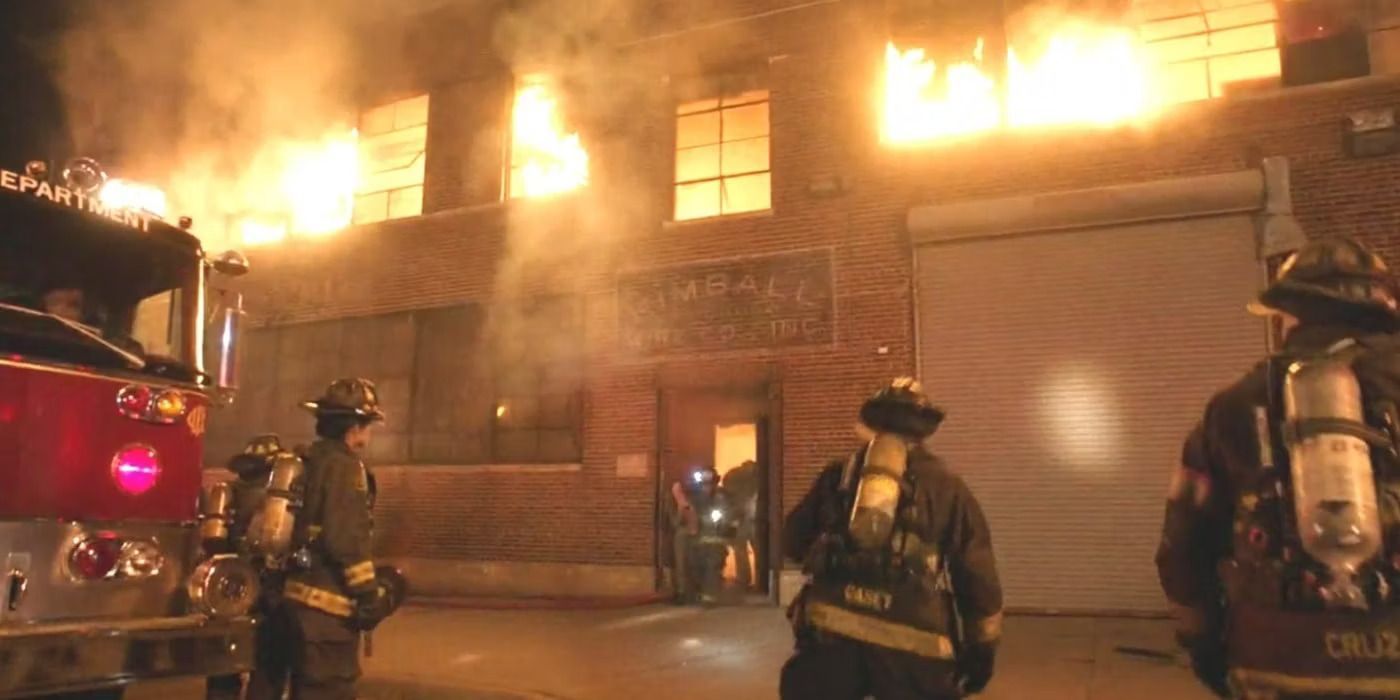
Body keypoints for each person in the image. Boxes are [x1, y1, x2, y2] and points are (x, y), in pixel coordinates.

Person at [1156, 236, 1400, 699]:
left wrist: (1206, 648)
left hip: (1277, 662)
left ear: (1288, 314)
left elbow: (1180, 550)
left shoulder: (1233, 407)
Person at [781, 377, 1003, 700]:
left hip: (831, 638)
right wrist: (981, 653)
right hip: (914, 644)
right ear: (923, 429)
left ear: (874, 421)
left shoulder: (837, 476)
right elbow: (978, 579)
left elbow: (792, 541)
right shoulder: (947, 488)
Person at [281, 378, 399, 700]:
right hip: (326, 613)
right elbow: (345, 538)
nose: (369, 433)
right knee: (330, 691)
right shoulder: (345, 468)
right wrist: (368, 594)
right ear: (355, 426)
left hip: (292, 603)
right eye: (368, 424)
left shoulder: (308, 460)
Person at [668, 464, 730, 605]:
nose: (706, 488)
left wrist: (723, 522)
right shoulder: (693, 497)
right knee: (695, 565)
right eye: (704, 484)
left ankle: (709, 596)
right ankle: (694, 594)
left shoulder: (720, 497)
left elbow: (726, 513)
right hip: (697, 538)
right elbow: (686, 514)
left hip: (714, 538)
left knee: (713, 566)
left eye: (709, 484)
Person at [722, 459, 760, 591]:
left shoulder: (734, 477)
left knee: (741, 549)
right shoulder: (755, 477)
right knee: (753, 549)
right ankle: (757, 579)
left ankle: (744, 579)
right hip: (749, 519)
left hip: (744, 518)